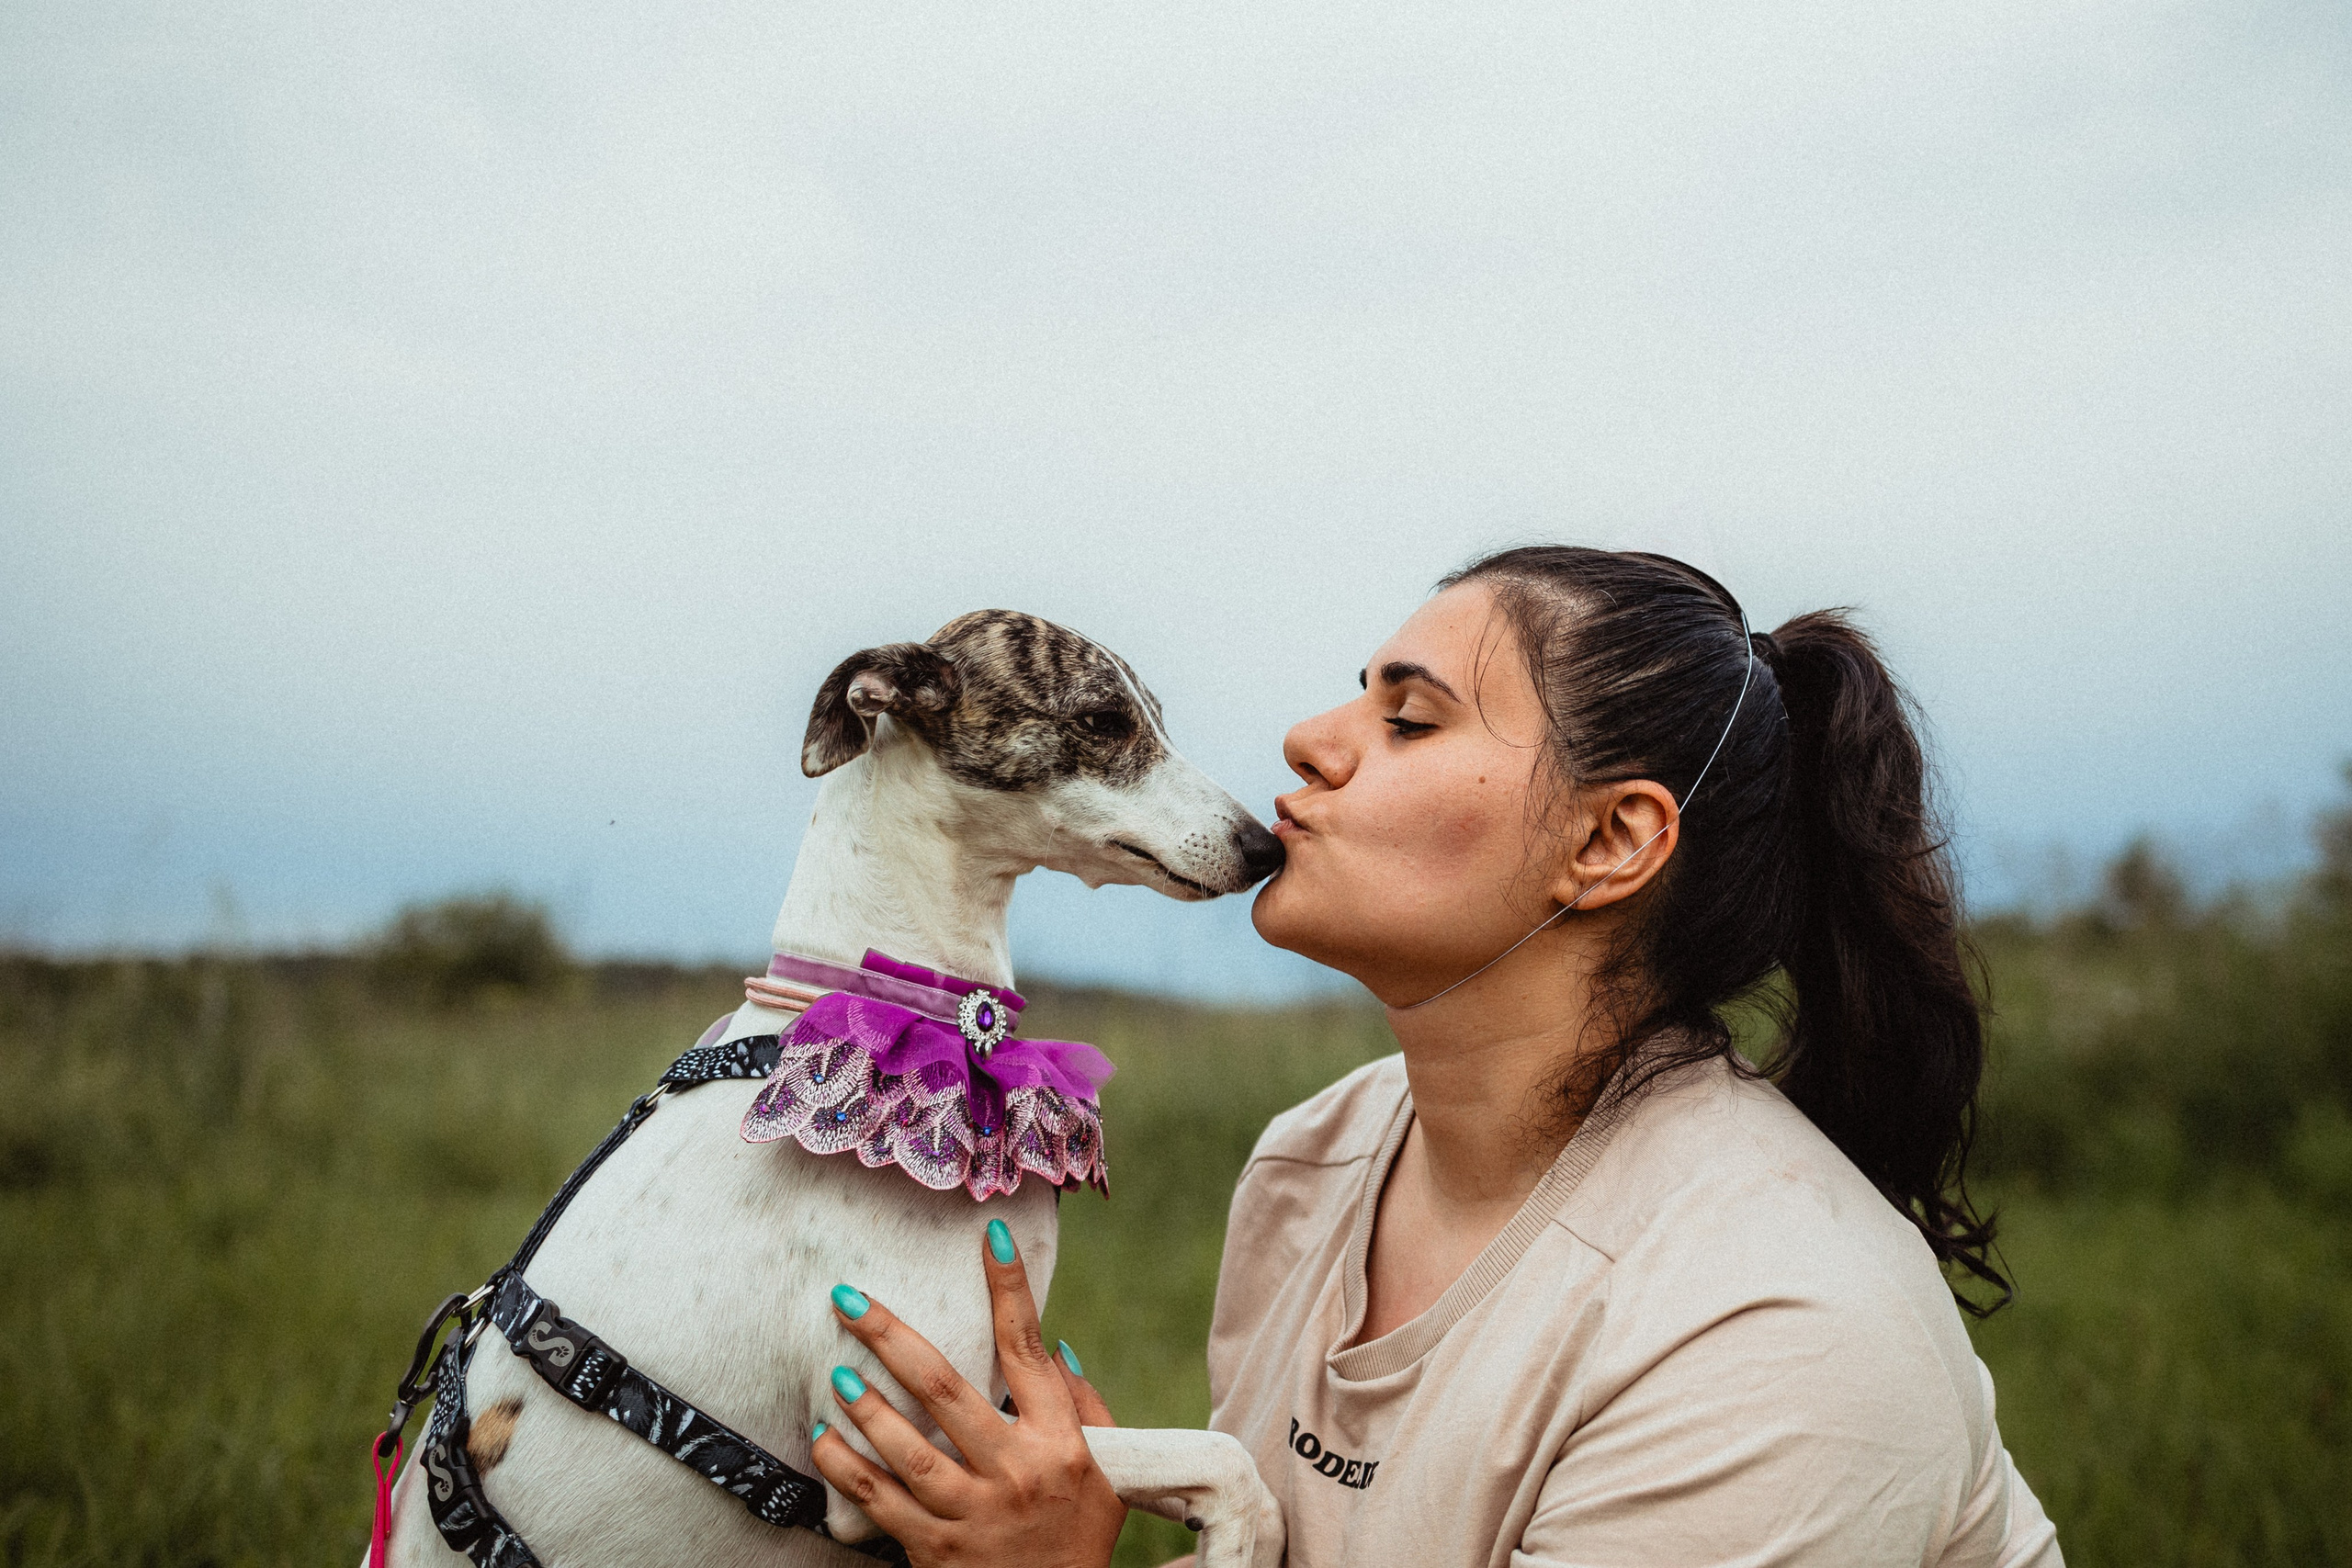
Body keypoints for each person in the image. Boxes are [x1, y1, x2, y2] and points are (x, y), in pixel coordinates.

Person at [807, 546, 2064, 1567]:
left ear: (1612, 841)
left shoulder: (1772, 1329)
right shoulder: (1318, 1160)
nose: (1308, 737)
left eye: (1407, 718)